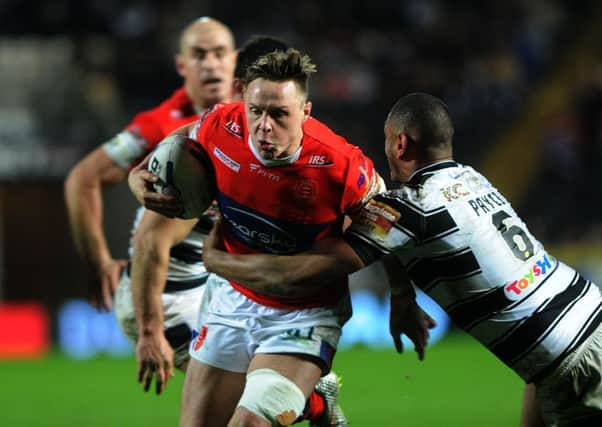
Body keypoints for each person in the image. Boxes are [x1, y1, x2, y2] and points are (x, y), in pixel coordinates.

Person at [200, 93, 602, 426]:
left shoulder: (410, 207)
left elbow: (310, 269)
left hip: (575, 363)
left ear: (400, 144)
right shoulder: (472, 179)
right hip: (576, 329)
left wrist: (221, 262)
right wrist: (402, 297)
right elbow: (411, 245)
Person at [128, 48, 385, 426]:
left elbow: (390, 231)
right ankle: (315, 401)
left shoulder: (342, 166)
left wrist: (403, 294)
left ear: (305, 112)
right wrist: (138, 177)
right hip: (232, 301)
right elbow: (168, 150)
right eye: (256, 111)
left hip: (304, 313)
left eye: (279, 114)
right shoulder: (221, 124)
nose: (264, 125)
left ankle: (307, 390)